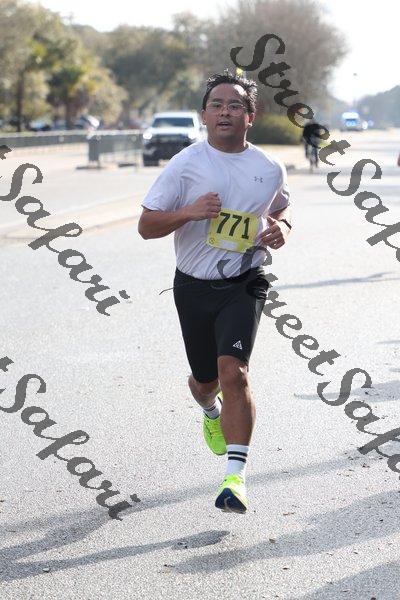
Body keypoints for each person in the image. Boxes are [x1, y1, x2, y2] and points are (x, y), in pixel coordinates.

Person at [138, 71, 291, 514]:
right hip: (193, 285)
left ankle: (235, 479)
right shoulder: (185, 164)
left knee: (234, 373)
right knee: (206, 382)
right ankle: (209, 411)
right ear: (204, 115)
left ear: (251, 116)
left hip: (245, 281)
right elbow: (146, 226)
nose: (226, 112)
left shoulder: (269, 168)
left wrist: (282, 229)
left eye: (235, 105)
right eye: (217, 105)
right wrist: (189, 212)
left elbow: (281, 209)